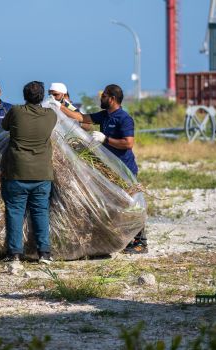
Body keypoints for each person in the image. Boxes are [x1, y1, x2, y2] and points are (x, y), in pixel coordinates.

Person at [54, 84, 147, 254]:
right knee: (112, 204)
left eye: (103, 96)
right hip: (108, 168)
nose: (100, 98)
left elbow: (128, 143)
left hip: (124, 169)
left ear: (112, 98)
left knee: (130, 204)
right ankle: (121, 238)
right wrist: (59, 105)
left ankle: (141, 242)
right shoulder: (104, 115)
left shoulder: (124, 118)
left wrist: (105, 139)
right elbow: (82, 118)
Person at [1, 81, 57, 268]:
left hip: (17, 172)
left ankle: (15, 254)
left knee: (15, 212)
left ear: (24, 95)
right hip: (42, 174)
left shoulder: (16, 111)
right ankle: (44, 253)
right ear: (42, 96)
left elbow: (4, 126)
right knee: (40, 212)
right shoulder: (51, 115)